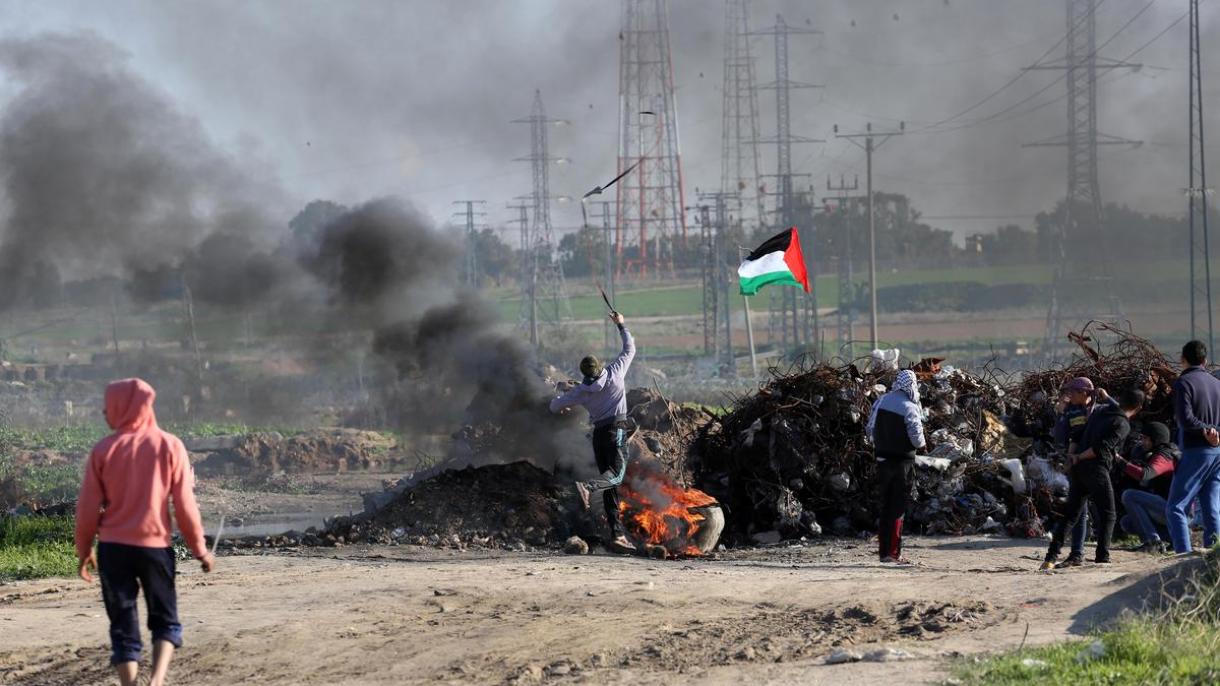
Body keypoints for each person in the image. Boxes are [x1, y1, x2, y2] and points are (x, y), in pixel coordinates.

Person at [75, 378, 214, 686]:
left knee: (123, 623)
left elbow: (86, 510)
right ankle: (157, 680)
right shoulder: (170, 445)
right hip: (155, 548)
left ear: (122, 408)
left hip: (113, 550)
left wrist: (84, 550)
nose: (103, 412)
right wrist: (200, 550)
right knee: (165, 617)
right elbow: (185, 507)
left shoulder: (103, 451)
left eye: (107, 406)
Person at [550, 312, 636, 552]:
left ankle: (617, 534)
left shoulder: (582, 392)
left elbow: (554, 405)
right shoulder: (615, 372)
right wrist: (621, 324)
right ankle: (587, 487)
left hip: (599, 435)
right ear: (599, 366)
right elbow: (630, 348)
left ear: (584, 374)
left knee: (610, 485)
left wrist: (565, 402)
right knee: (616, 476)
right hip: (616, 430)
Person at [1043, 387, 1144, 569]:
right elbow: (1101, 448)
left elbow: (1078, 434)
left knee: (1070, 515)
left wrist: (1071, 458)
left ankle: (1050, 558)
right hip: (1096, 470)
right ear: (1139, 408)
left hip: (1078, 469)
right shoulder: (1122, 424)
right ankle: (1102, 557)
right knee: (1109, 514)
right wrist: (1078, 457)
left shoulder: (1101, 412)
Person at [866, 369, 926, 564]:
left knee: (885, 507)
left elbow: (870, 429)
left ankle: (884, 553)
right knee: (898, 508)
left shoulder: (882, 400)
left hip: (882, 460)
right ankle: (894, 553)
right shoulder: (910, 406)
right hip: (902, 464)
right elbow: (917, 440)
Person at [1166, 340, 1220, 554]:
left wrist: (1206, 431)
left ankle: (1183, 557)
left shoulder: (1183, 383)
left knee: (1176, 507)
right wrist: (1216, 434)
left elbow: (1185, 420)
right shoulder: (1217, 384)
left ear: (1183, 359)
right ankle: (1215, 555)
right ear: (1205, 361)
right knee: (1211, 508)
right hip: (1217, 452)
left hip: (1196, 450)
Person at [1049, 377, 1097, 566]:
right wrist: (1061, 414)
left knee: (1103, 507)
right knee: (1079, 508)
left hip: (1095, 462)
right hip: (1076, 463)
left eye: (1073, 392)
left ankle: (1102, 552)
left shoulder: (1098, 409)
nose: (1070, 395)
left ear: (1084, 392)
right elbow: (1060, 437)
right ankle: (1077, 552)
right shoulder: (1071, 410)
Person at [1116, 421, 1179, 553]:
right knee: (1127, 522)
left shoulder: (1164, 456)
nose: (1142, 442)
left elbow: (1144, 475)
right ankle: (1173, 538)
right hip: (1168, 508)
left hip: (1174, 509)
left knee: (1129, 495)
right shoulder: (1159, 453)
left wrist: (1120, 461)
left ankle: (1152, 542)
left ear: (1155, 440)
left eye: (1145, 438)